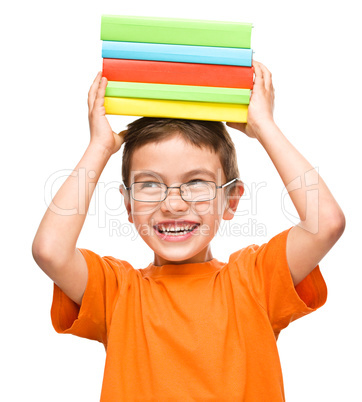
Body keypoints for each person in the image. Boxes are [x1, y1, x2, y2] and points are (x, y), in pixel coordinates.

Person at [32, 61, 345, 401]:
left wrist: (264, 126)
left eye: (196, 182)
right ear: (127, 204)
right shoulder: (118, 291)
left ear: (231, 200)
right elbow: (50, 250)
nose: (174, 204)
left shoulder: (255, 281)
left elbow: (325, 223)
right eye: (150, 184)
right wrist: (99, 148)